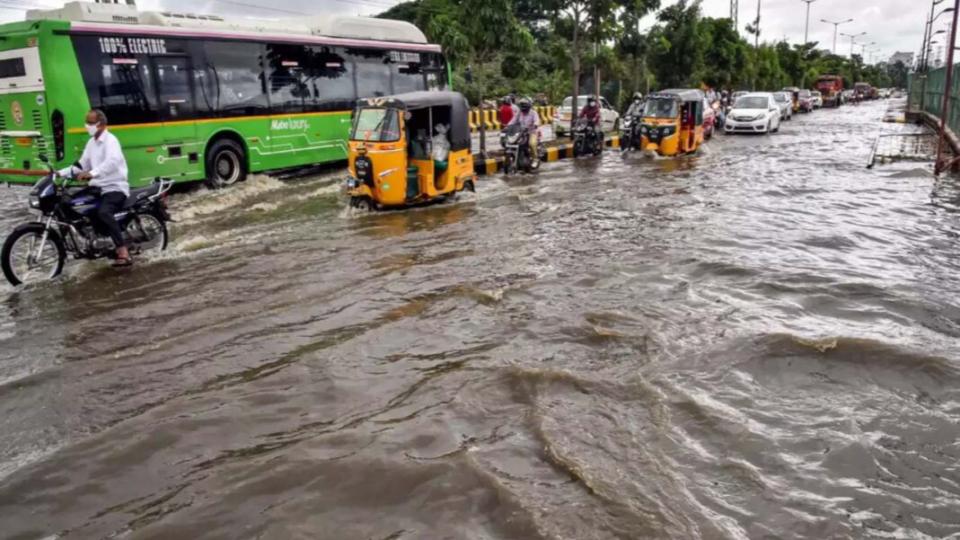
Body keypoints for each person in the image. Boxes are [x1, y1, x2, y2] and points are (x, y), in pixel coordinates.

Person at [59, 109, 132, 266]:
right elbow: (81, 164)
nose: (87, 126)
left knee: (104, 212)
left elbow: (112, 162)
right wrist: (59, 173)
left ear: (102, 124)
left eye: (91, 123)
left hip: (114, 187)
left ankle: (122, 250)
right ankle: (92, 239)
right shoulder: (91, 143)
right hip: (97, 187)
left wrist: (92, 173)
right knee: (71, 203)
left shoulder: (111, 141)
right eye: (87, 122)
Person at [507, 98, 540, 167]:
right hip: (520, 132)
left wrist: (535, 125)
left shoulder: (533, 113)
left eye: (524, 106)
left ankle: (535, 159)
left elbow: (537, 120)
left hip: (531, 132)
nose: (523, 108)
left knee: (532, 144)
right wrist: (508, 126)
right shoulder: (519, 112)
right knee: (511, 142)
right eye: (522, 106)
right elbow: (513, 120)